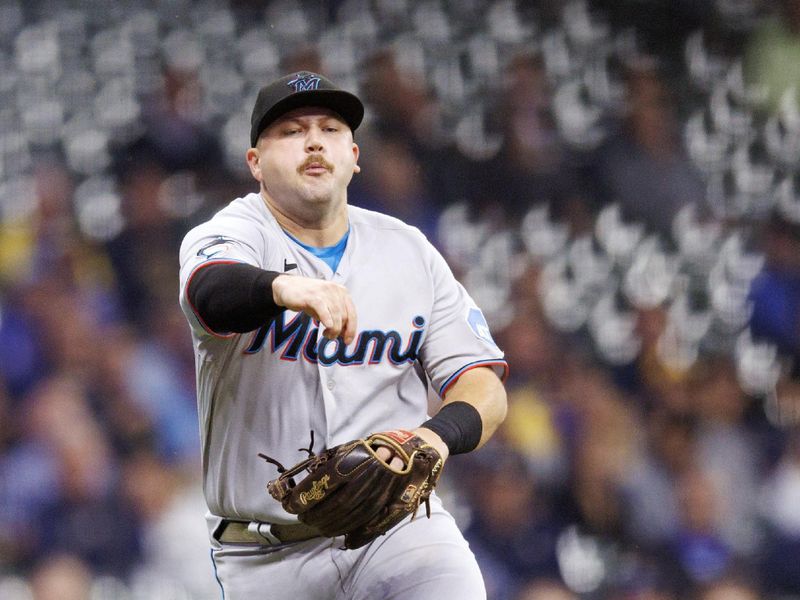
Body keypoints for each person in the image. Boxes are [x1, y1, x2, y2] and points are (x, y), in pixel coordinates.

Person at [177, 71, 509, 599]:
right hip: (264, 556)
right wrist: (284, 288)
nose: (313, 140)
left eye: (329, 128)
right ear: (255, 164)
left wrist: (433, 437)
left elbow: (484, 387)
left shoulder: (409, 251)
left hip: (397, 531)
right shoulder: (231, 235)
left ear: (353, 156)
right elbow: (210, 291)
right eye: (290, 130)